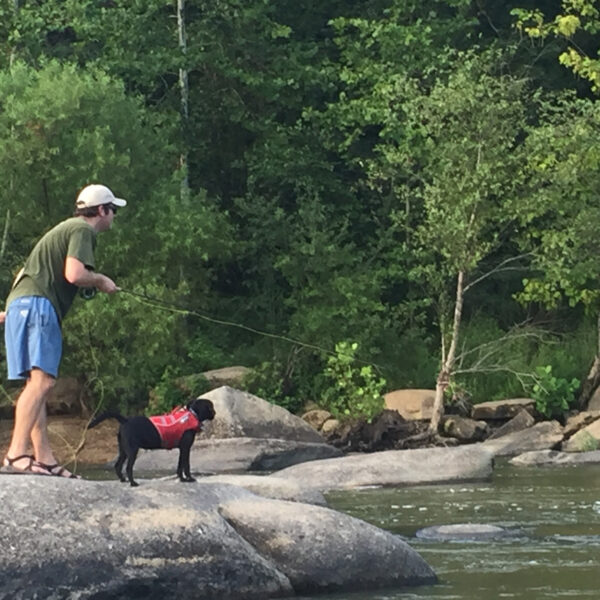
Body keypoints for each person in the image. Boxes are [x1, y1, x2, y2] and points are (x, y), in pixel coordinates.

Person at [0, 184, 126, 477]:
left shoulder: (61, 229)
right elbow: (74, 274)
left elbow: (24, 274)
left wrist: (16, 311)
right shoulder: (82, 230)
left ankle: (44, 459)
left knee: (36, 384)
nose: (114, 217)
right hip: (39, 307)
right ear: (101, 211)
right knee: (43, 383)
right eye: (113, 211)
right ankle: (16, 454)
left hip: (20, 304)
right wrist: (101, 280)